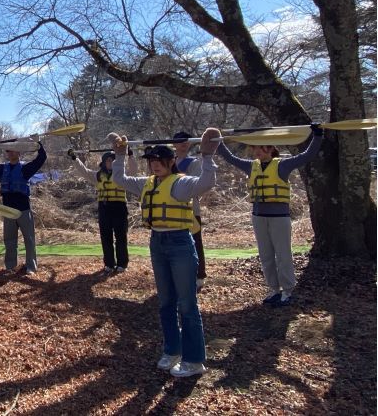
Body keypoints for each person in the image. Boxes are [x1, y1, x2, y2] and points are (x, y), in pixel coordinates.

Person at [110, 129, 220, 378]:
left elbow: (207, 182)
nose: (155, 165)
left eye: (160, 161)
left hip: (180, 243)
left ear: (171, 162)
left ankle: (194, 360)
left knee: (187, 304)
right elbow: (120, 179)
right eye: (151, 161)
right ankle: (172, 350)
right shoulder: (147, 184)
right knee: (166, 303)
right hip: (157, 243)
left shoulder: (180, 183)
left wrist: (207, 155)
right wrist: (119, 155)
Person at [217, 126, 323, 307]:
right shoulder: (251, 166)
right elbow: (229, 158)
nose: (256, 151)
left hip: (279, 218)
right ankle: (273, 289)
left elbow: (307, 155)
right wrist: (217, 140)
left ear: (270, 149)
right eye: (255, 148)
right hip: (258, 216)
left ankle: (288, 291)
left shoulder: (282, 165)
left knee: (283, 255)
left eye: (260, 148)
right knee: (266, 255)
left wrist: (317, 135)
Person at [0, 139, 47, 275]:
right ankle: (10, 267)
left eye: (12, 150)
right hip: (8, 210)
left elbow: (41, 158)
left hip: (24, 209)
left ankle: (31, 267)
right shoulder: (1, 169)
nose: (10, 153)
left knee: (29, 239)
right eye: (8, 150)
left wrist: (38, 143)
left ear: (18, 152)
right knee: (9, 241)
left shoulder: (25, 168)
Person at [68, 147, 136, 274]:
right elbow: (84, 171)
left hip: (119, 207)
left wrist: (130, 155)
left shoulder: (122, 175)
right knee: (106, 237)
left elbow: (134, 170)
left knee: (121, 237)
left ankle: (122, 264)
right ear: (104, 162)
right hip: (104, 208)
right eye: (108, 161)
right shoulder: (98, 176)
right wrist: (74, 158)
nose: (111, 163)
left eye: (113, 161)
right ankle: (109, 264)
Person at [172, 131, 208, 292]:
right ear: (174, 144)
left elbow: (196, 185)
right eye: (179, 141)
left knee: (195, 242)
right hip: (171, 209)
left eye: (185, 141)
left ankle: (199, 276)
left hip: (191, 209)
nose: (183, 144)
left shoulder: (193, 162)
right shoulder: (167, 161)